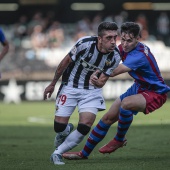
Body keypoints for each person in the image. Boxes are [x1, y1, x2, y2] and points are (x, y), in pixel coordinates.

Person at [62, 22, 170, 160]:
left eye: (129, 41)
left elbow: (113, 71)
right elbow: (108, 62)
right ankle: (83, 154)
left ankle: (119, 139)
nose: (124, 44)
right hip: (139, 87)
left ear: (138, 39)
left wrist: (97, 72)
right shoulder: (123, 48)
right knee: (107, 118)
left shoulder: (139, 55)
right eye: (123, 39)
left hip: (155, 92)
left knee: (126, 103)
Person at [43, 21, 121, 165]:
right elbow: (64, 63)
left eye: (115, 37)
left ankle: (57, 153)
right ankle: (65, 130)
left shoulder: (115, 56)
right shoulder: (84, 44)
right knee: (59, 127)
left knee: (85, 126)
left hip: (91, 91)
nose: (113, 42)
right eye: (109, 38)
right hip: (70, 87)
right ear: (100, 38)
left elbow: (103, 80)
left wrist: (98, 83)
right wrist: (53, 83)